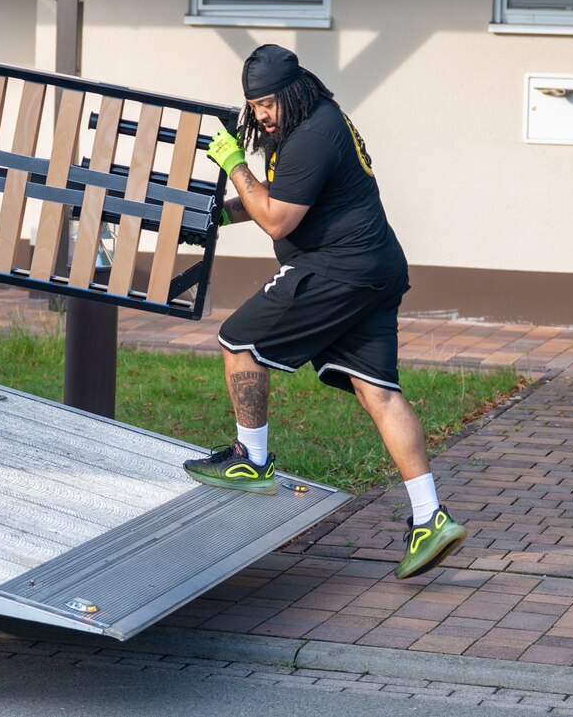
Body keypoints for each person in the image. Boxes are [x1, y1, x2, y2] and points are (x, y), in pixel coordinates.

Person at [187, 44, 466, 580]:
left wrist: (233, 164)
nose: (260, 116)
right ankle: (431, 516)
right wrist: (213, 214)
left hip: (339, 267)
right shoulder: (306, 125)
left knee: (239, 343)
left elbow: (277, 220)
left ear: (292, 92)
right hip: (375, 267)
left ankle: (253, 457)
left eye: (267, 104)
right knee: (378, 391)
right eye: (254, 107)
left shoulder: (314, 133)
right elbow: (278, 198)